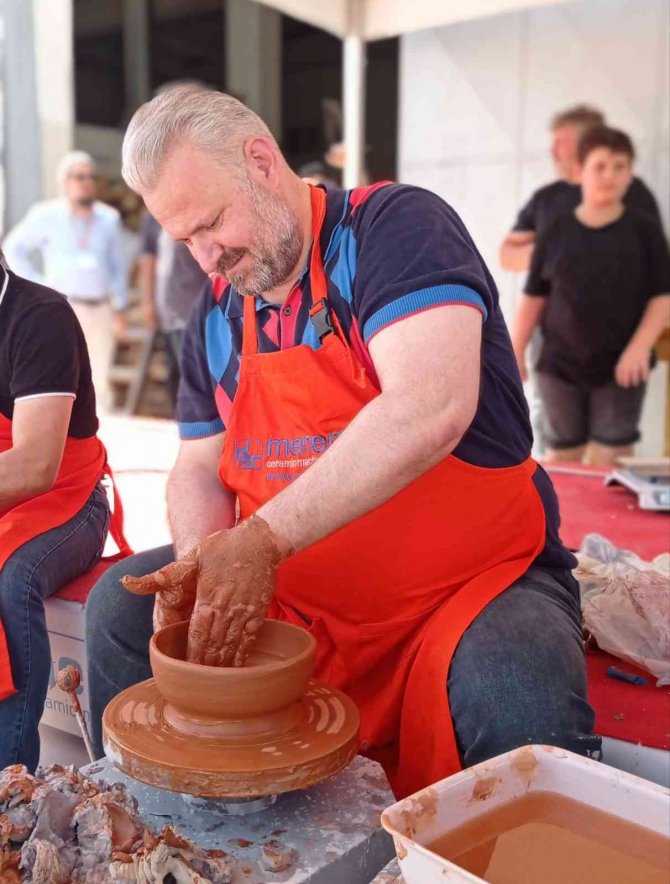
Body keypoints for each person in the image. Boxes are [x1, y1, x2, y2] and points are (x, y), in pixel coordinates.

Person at [86, 88, 600, 799]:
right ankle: (150, 836)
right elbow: (199, 467)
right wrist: (204, 564)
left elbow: (431, 405)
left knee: (515, 686)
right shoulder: (216, 309)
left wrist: (260, 539)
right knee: (120, 607)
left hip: (464, 591)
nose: (208, 260)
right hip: (302, 598)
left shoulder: (394, 228)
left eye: (212, 223)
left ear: (261, 163)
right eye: (186, 241)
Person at [0, 251, 110, 771]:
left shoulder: (39, 317)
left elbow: (34, 467)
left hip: (71, 502)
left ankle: (12, 778)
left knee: (10, 577)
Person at [511, 127, 670, 466]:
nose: (609, 175)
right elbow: (534, 296)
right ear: (579, 172)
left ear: (630, 174)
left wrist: (640, 347)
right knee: (561, 458)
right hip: (558, 367)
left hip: (621, 368)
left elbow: (663, 295)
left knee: (613, 461)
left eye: (619, 166)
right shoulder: (554, 230)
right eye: (600, 166)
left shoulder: (645, 231)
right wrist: (516, 349)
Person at [3, 151, 129, 411]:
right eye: (79, 176)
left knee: (100, 376)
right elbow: (14, 247)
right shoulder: (46, 214)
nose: (86, 182)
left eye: (91, 177)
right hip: (61, 308)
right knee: (61, 372)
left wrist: (121, 307)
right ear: (65, 181)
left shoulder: (109, 218)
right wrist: (37, 287)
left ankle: (96, 440)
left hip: (99, 307)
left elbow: (118, 268)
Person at [500, 105, 663, 273]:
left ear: (588, 143)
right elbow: (507, 256)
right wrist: (549, 250)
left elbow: (655, 259)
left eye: (560, 143)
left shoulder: (631, 190)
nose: (552, 151)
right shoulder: (546, 197)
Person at [138, 212, 208, 407]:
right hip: (168, 307)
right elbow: (148, 259)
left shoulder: (192, 208)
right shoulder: (151, 217)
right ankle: (181, 423)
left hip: (197, 305)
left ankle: (201, 423)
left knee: (194, 371)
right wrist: (148, 302)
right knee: (176, 370)